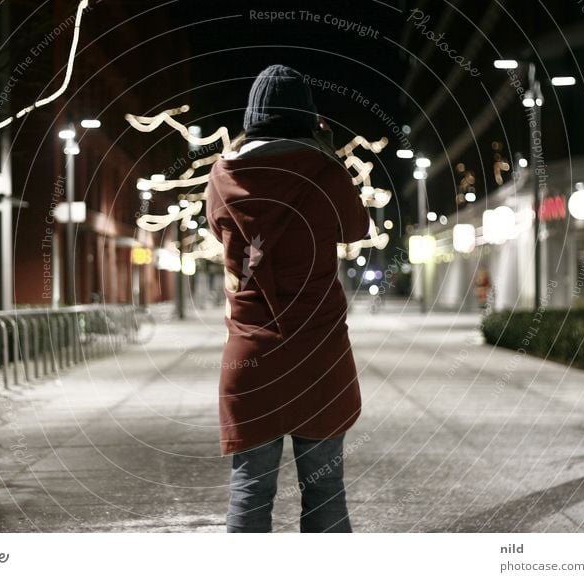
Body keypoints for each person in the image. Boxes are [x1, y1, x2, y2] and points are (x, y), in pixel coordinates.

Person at [206, 64, 370, 533]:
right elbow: (357, 228)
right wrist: (326, 151)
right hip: (318, 352)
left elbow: (218, 229)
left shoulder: (222, 176)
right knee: (324, 491)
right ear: (307, 116)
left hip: (250, 356)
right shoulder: (324, 171)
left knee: (250, 492)